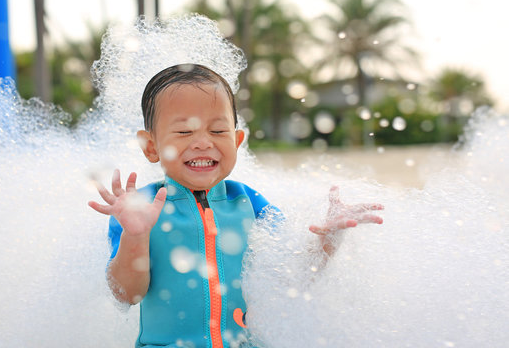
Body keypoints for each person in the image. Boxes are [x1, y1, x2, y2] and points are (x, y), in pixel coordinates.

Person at [88, 63, 383, 347]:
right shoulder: (136, 211)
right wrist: (136, 235)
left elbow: (291, 278)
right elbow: (126, 294)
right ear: (151, 146)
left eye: (217, 131)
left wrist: (328, 239)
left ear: (238, 139)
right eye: (184, 132)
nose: (203, 142)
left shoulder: (249, 203)